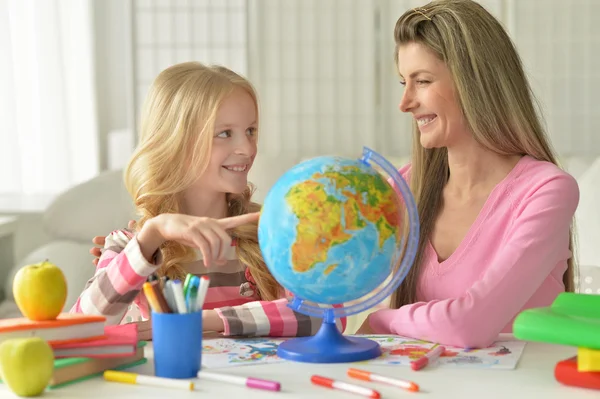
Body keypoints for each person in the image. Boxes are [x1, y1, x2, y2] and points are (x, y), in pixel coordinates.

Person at [357, 0, 579, 348]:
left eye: (422, 81)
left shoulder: (546, 192)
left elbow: (468, 325)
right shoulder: (403, 188)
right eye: (404, 81)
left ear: (474, 83)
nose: (405, 102)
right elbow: (333, 281)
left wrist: (380, 319)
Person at [72, 62, 345, 339]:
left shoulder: (276, 231)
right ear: (176, 143)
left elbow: (327, 316)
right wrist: (153, 233)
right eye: (225, 134)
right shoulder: (131, 245)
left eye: (250, 130)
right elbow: (82, 327)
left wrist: (206, 320)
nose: (247, 148)